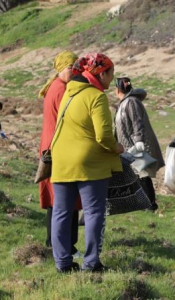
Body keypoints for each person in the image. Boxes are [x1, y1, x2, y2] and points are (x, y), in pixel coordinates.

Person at [50, 53, 124, 273]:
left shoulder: (69, 92)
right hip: (89, 163)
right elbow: (103, 136)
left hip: (62, 160)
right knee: (93, 212)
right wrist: (117, 148)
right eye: (111, 73)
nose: (112, 78)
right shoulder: (96, 97)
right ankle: (91, 263)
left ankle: (62, 263)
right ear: (102, 74)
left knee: (61, 213)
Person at [37, 50, 81, 257]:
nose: (75, 71)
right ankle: (65, 247)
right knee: (65, 200)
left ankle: (53, 244)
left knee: (58, 201)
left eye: (76, 67)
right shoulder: (62, 90)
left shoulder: (56, 86)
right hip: (59, 150)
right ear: (61, 69)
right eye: (71, 67)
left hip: (51, 148)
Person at [114, 77, 165, 211]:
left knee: (142, 175)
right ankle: (142, 204)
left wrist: (139, 142)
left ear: (117, 90)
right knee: (136, 176)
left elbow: (137, 122)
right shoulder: (124, 103)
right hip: (128, 146)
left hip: (135, 145)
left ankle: (150, 205)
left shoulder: (131, 102)